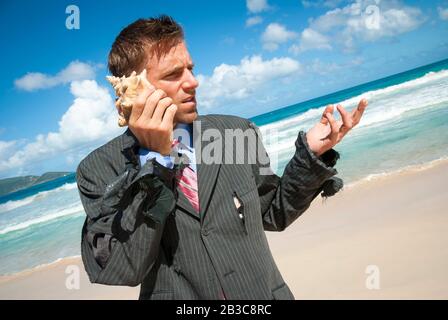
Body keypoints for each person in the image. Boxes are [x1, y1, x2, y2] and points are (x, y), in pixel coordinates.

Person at [76, 15, 368, 300]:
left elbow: (273, 212)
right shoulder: (98, 169)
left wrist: (310, 154)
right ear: (135, 89)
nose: (193, 82)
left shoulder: (236, 132)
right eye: (173, 74)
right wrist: (156, 161)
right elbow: (123, 269)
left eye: (190, 69)